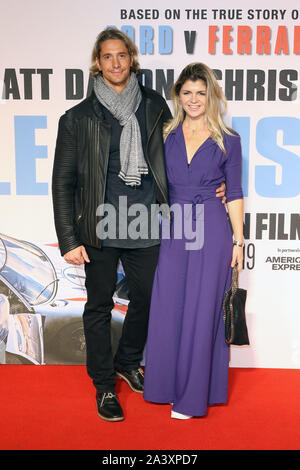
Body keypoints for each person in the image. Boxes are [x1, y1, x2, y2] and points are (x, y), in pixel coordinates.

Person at [52, 29, 225, 422]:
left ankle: (129, 361)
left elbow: (182, 151)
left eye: (122, 56)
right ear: (98, 62)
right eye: (107, 57)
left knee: (148, 298)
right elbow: (62, 182)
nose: (115, 63)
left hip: (147, 221)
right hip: (98, 226)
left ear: (132, 59)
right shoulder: (77, 118)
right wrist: (68, 238)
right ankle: (103, 386)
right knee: (98, 305)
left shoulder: (153, 106)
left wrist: (218, 183)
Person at [143, 62, 244, 419]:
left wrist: (239, 241)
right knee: (169, 305)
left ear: (212, 96)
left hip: (214, 230)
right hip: (174, 227)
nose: (194, 99)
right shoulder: (164, 135)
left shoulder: (228, 139)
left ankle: (192, 396)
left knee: (203, 310)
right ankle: (165, 386)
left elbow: (233, 193)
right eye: (187, 92)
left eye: (201, 93)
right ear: (178, 96)